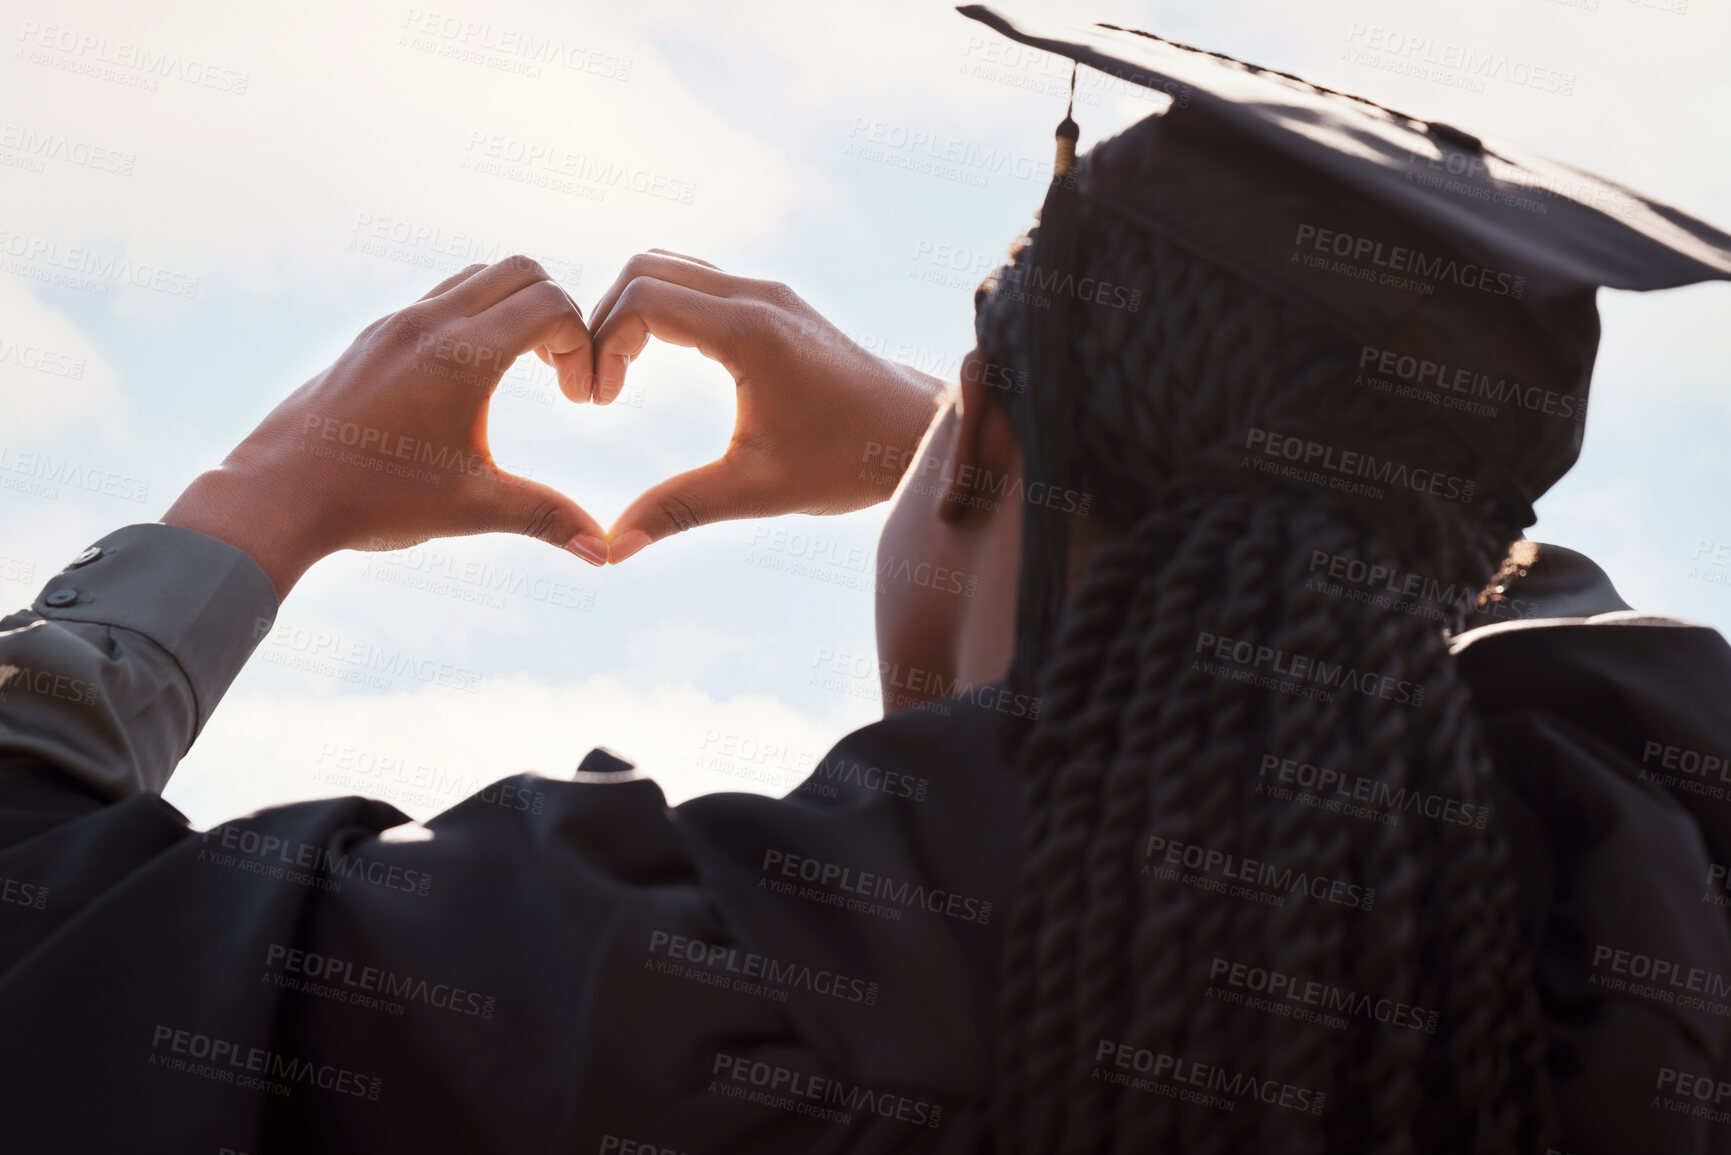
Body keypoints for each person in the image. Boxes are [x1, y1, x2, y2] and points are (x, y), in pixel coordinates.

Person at [5, 8, 1731, 1154]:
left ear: (975, 450)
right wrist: (1021, 456)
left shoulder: (664, 1008)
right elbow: (1520, 661)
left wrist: (258, 501)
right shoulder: (1660, 943)